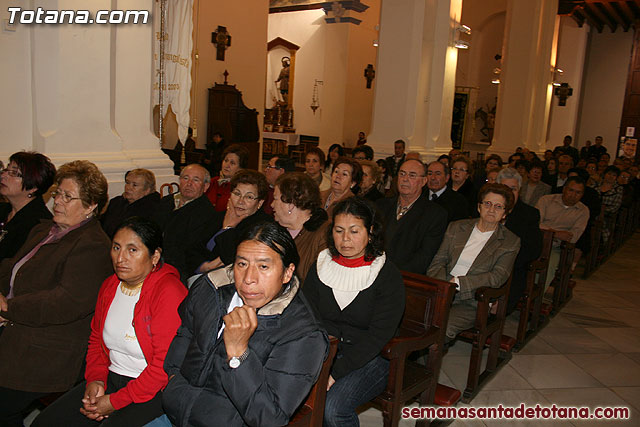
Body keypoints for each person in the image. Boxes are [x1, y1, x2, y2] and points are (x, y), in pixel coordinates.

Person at [160, 221, 329, 426]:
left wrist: (238, 354)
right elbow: (186, 331)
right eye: (242, 264)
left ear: (287, 272)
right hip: (172, 411)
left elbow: (269, 418)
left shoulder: (302, 333)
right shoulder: (210, 287)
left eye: (263, 266)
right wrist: (171, 379)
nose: (249, 279)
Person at [32, 217, 187, 426]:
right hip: (113, 377)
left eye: (132, 250)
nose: (120, 258)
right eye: (116, 247)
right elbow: (96, 338)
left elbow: (163, 367)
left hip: (153, 389)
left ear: (155, 256)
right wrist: (96, 379)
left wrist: (114, 402)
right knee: (47, 422)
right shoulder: (110, 285)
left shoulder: (169, 292)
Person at [0, 160, 113, 426]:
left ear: (90, 206)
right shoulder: (44, 230)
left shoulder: (93, 246)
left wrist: (7, 308)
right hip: (16, 332)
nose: (58, 202)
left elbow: (65, 302)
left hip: (47, 349)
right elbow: (11, 270)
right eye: (57, 194)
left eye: (68, 197)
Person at [303, 197, 405, 426]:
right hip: (324, 348)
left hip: (371, 356)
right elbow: (307, 316)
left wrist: (334, 373)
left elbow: (378, 336)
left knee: (333, 408)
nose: (345, 239)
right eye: (339, 231)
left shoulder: (385, 274)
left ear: (370, 232)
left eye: (354, 231)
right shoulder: (322, 265)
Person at [427, 183, 521, 340]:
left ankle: (425, 362)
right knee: (412, 318)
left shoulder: (510, 241)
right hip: (441, 290)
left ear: (505, 214)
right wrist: (443, 286)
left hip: (472, 300)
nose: (491, 210)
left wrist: (459, 283)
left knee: (443, 326)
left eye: (498, 207)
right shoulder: (457, 227)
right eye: (488, 204)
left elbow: (497, 277)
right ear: (479, 207)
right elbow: (438, 260)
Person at [376, 159, 447, 274]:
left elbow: (424, 257)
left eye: (412, 175)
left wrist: (390, 275)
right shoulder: (381, 206)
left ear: (424, 181)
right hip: (370, 270)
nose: (405, 179)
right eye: (402, 174)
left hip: (404, 277)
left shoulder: (435, 215)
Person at [153, 164, 218, 283]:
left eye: (196, 180)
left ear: (206, 186)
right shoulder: (166, 202)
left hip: (179, 270)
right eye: (185, 178)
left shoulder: (206, 213)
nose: (189, 183)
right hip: (153, 260)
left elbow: (188, 250)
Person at [199, 170, 272, 273]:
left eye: (249, 197)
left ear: (260, 203)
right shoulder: (220, 215)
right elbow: (194, 247)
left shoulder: (262, 227)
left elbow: (232, 259)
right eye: (237, 194)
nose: (241, 201)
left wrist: (228, 228)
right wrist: (202, 266)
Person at [496, 168, 542, 312]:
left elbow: (532, 250)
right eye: (505, 188)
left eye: (513, 189)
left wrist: (503, 262)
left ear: (519, 190)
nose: (509, 193)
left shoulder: (529, 214)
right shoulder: (488, 210)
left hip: (512, 270)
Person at [0, 151, 56, 261]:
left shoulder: (39, 225)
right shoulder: (2, 210)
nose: (3, 175)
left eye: (14, 173)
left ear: (33, 186)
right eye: (7, 169)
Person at [536, 177, 590, 290]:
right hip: (536, 241)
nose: (573, 195)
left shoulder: (583, 211)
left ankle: (535, 296)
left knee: (548, 265)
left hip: (556, 248)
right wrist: (556, 233)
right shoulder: (546, 200)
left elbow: (573, 236)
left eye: (578, 192)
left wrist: (549, 231)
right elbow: (536, 223)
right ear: (564, 189)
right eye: (571, 190)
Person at [101, 169, 161, 238]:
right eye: (127, 182)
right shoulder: (116, 202)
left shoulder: (152, 209)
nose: (128, 187)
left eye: (134, 185)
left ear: (147, 190)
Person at [206, 144, 250, 212]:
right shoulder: (211, 182)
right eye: (226, 160)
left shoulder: (240, 188)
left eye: (232, 163)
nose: (227, 165)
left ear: (241, 169)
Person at [593, 165, 624, 243]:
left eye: (614, 175)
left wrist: (602, 211)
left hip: (607, 215)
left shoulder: (618, 189)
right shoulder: (595, 186)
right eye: (609, 174)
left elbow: (615, 206)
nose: (611, 177)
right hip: (593, 212)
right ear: (605, 174)